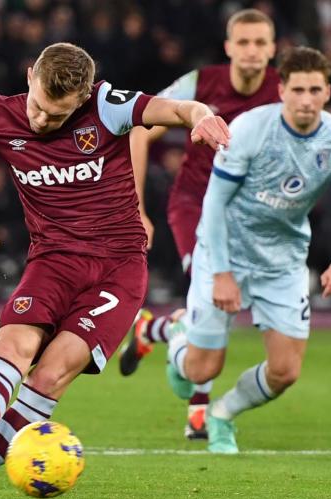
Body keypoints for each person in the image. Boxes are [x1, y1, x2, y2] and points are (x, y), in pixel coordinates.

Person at [0, 42, 229, 499]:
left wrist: (200, 115)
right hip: (52, 261)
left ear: (82, 98)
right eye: (36, 105)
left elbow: (174, 108)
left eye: (56, 116)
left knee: (49, 375)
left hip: (116, 271)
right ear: (29, 74)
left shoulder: (108, 106)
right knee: (14, 346)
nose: (40, 121)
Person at [166, 46, 331, 454]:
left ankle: (222, 414)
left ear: (327, 91)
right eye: (298, 90)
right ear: (282, 91)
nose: (306, 99)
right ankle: (175, 334)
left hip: (283, 260)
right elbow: (214, 204)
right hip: (225, 252)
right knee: (202, 367)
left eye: (314, 89)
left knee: (286, 370)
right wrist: (221, 271)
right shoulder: (250, 129)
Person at [118, 8, 280, 441]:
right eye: (243, 43)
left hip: (248, 214)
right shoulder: (199, 84)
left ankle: (158, 328)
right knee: (212, 293)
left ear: (272, 49)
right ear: (228, 48)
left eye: (260, 43)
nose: (251, 51)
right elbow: (137, 131)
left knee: (220, 302)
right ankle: (199, 410)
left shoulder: (284, 91)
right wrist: (137, 208)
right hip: (195, 204)